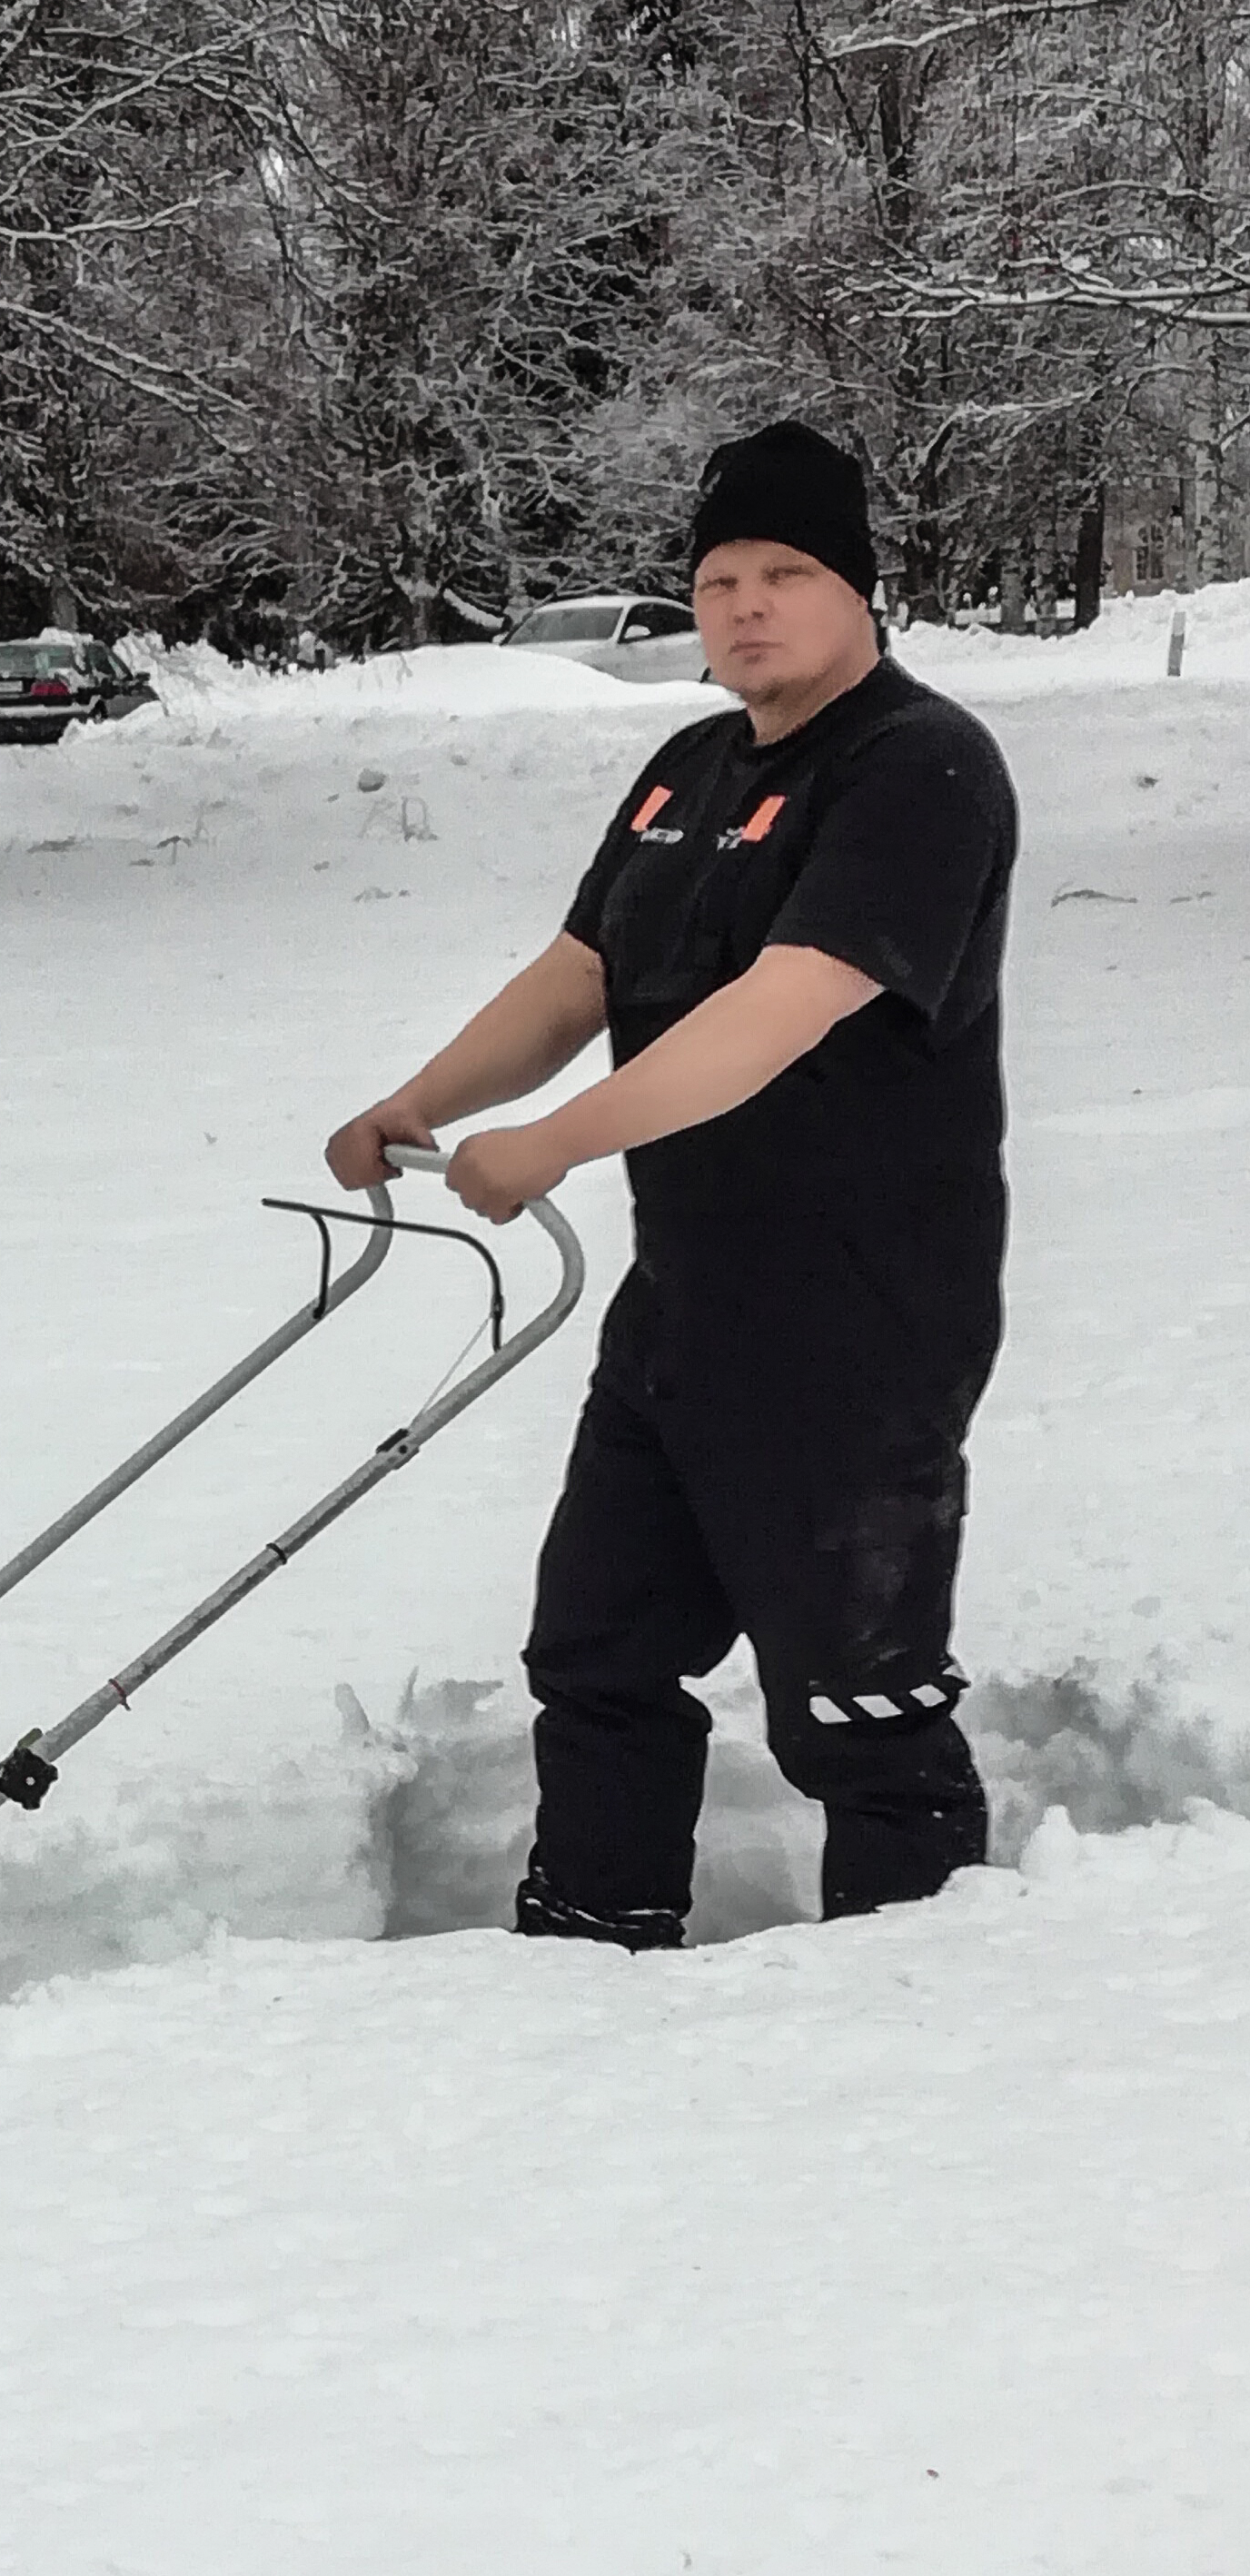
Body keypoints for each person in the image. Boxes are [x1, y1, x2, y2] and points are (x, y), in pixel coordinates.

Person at [326, 421, 1017, 1945]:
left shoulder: (921, 768)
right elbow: (579, 976)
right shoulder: (686, 769)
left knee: (861, 1710)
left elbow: (785, 1006)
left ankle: (933, 2014)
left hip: (861, 1326)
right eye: (717, 579)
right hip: (687, 1308)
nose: (746, 605)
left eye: (786, 572)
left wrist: (557, 1142)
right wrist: (421, 1103)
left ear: (860, 591)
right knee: (598, 1653)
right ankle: (589, 1952)